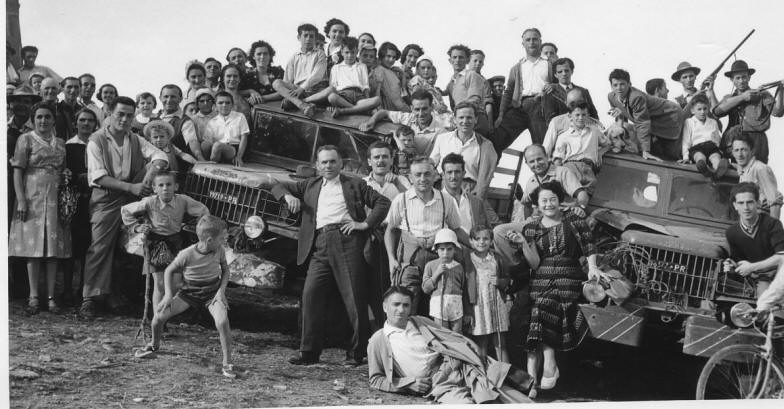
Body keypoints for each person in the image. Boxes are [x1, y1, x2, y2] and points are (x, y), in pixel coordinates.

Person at [272, 145, 391, 366]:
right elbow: (276, 185)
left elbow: (383, 203)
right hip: (319, 244)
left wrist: (364, 224)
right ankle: (309, 352)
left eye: (333, 161)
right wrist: (287, 196)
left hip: (348, 241)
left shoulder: (354, 184)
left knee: (354, 297)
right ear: (317, 165)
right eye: (324, 162)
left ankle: (356, 353)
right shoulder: (310, 184)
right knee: (310, 295)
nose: (328, 166)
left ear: (341, 164)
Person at [506, 181, 606, 398]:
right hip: (541, 276)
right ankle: (534, 378)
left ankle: (547, 366)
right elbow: (534, 263)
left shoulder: (573, 220)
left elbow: (589, 245)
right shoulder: (531, 227)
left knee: (542, 305)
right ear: (537, 204)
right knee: (533, 311)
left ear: (560, 200)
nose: (548, 204)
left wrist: (592, 267)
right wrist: (524, 242)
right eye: (544, 200)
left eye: (552, 199)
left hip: (568, 275)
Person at [79, 96, 169, 319]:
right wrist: (132, 187)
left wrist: (150, 173)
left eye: (129, 115)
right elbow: (98, 177)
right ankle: (90, 298)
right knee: (100, 246)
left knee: (129, 247)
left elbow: (160, 155)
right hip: (107, 198)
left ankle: (116, 296)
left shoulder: (135, 139)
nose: (125, 119)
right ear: (110, 114)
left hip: (132, 197)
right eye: (120, 114)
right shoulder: (96, 140)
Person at [367, 286, 534, 403]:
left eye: (406, 305)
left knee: (495, 383)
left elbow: (450, 336)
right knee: (465, 403)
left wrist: (470, 345)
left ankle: (528, 395)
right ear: (385, 307)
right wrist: (408, 384)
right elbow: (376, 379)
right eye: (396, 304)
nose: (401, 310)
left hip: (455, 364)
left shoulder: (419, 321)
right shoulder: (378, 340)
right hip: (438, 383)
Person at [134, 215, 237, 378]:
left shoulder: (220, 250)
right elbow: (169, 271)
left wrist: (221, 291)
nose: (225, 241)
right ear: (209, 240)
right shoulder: (187, 254)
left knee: (222, 321)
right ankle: (154, 345)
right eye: (222, 238)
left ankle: (227, 362)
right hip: (189, 293)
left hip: (212, 294)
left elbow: (225, 270)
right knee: (158, 318)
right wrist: (168, 295)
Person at [9, 102, 71, 314]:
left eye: (47, 117)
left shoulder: (60, 143)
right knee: (34, 249)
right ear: (33, 119)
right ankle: (33, 296)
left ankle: (51, 297)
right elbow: (18, 171)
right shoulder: (25, 139)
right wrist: (21, 200)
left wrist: (65, 175)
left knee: (52, 250)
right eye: (39, 117)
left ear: (53, 120)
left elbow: (63, 169)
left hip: (55, 197)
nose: (43, 121)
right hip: (32, 195)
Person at [385, 156, 467, 315]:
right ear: (410, 177)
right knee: (406, 305)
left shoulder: (446, 200)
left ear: (435, 176)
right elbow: (391, 230)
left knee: (437, 309)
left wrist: (476, 245)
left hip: (438, 261)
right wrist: (391, 259)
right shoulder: (401, 199)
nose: (423, 179)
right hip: (410, 262)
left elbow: (457, 229)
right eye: (418, 175)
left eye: (427, 174)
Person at [121, 170, 208, 314]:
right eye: (161, 185)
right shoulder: (150, 202)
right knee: (160, 284)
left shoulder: (183, 200)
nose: (165, 188)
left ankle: (166, 313)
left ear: (176, 186)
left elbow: (203, 210)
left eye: (169, 184)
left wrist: (198, 225)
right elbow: (126, 210)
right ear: (155, 188)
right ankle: (158, 318)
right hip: (156, 243)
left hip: (176, 242)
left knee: (176, 283)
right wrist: (136, 227)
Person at [493, 144, 586, 273]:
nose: (536, 164)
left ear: (547, 157)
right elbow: (526, 204)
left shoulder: (562, 172)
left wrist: (580, 207)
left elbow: (581, 194)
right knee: (499, 232)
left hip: (559, 219)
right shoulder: (531, 182)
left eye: (539, 159)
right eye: (532, 161)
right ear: (527, 163)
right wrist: (528, 224)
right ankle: (519, 270)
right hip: (537, 222)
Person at [364, 141, 411, 326]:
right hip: (370, 236)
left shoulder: (402, 182)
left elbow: (413, 202)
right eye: (376, 157)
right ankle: (373, 327)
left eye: (385, 156)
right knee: (369, 282)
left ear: (392, 160)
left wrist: (397, 183)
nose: (380, 161)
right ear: (369, 161)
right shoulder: (362, 183)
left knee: (391, 282)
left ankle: (391, 326)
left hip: (394, 236)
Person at [494, 28, 554, 152]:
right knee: (497, 138)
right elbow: (508, 91)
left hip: (541, 107)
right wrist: (501, 114)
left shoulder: (549, 64)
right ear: (523, 43)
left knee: (543, 146)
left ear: (540, 42)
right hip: (520, 107)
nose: (531, 42)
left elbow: (560, 85)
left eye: (535, 39)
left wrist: (553, 86)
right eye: (528, 40)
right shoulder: (517, 67)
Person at [713, 60, 784, 164]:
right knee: (737, 172)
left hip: (757, 142)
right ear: (732, 80)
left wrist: (781, 91)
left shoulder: (762, 94)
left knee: (758, 170)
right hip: (736, 143)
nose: (741, 81)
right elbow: (717, 112)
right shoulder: (729, 98)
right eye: (737, 78)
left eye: (744, 77)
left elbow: (778, 112)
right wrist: (742, 97)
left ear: (749, 77)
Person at [607, 68, 683, 161]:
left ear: (629, 84)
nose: (619, 88)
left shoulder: (636, 97)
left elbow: (643, 123)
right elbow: (619, 115)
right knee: (653, 148)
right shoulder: (611, 97)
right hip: (651, 118)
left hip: (670, 115)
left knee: (671, 154)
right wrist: (621, 134)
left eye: (622, 84)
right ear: (611, 86)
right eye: (615, 85)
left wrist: (645, 150)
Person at [63, 108, 98, 307]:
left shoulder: (98, 144)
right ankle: (67, 289)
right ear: (75, 123)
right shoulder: (68, 146)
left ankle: (83, 289)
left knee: (88, 245)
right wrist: (76, 177)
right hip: (74, 199)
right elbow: (65, 170)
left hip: (94, 199)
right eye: (82, 120)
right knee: (71, 244)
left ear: (95, 124)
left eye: (90, 120)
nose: (86, 124)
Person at [724, 182, 784, 299]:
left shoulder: (772, 224)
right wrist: (731, 265)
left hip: (777, 275)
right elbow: (740, 262)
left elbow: (781, 257)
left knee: (764, 301)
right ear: (735, 206)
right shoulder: (732, 233)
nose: (746, 208)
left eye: (750, 202)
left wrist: (751, 267)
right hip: (753, 279)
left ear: (758, 203)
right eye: (741, 203)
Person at [429, 101, 498, 199]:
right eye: (461, 117)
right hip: (443, 188)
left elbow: (484, 179)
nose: (465, 121)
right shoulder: (442, 139)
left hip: (469, 190)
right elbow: (431, 164)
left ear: (476, 119)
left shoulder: (485, 145)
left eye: (469, 117)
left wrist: (475, 200)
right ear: (454, 119)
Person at [360, 89, 454, 156]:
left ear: (431, 107)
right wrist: (371, 121)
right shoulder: (409, 118)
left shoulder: (441, 132)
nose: (421, 114)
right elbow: (384, 112)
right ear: (412, 108)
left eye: (424, 109)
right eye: (417, 109)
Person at [467, 225, 511, 363]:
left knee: (500, 342)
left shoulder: (496, 258)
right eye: (477, 239)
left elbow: (507, 279)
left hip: (497, 305)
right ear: (471, 241)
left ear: (491, 241)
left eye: (485, 238)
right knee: (481, 343)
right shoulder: (468, 259)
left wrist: (500, 281)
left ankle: (505, 373)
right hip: (478, 307)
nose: (481, 242)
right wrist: (467, 311)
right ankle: (483, 373)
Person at [311, 37, 380, 118]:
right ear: (342, 52)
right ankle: (359, 110)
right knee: (332, 97)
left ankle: (344, 111)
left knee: (377, 100)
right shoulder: (336, 67)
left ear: (357, 52)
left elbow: (365, 86)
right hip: (343, 97)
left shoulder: (362, 66)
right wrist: (332, 105)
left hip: (359, 97)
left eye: (353, 52)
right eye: (347, 52)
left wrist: (367, 101)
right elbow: (333, 86)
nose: (350, 55)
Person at [551, 101, 609, 195]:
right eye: (577, 115)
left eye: (584, 115)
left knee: (587, 194)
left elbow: (608, 144)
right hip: (571, 166)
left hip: (589, 168)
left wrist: (600, 153)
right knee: (571, 192)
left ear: (588, 116)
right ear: (570, 116)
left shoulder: (594, 131)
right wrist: (557, 176)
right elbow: (558, 159)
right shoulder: (564, 136)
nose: (581, 118)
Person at [272, 23, 328, 118]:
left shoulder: (320, 54)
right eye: (305, 35)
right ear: (299, 37)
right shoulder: (294, 57)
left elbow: (317, 75)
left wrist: (301, 89)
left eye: (311, 36)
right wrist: (291, 92)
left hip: (314, 91)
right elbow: (288, 80)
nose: (308, 39)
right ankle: (302, 105)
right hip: (297, 90)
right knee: (276, 83)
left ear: (315, 39)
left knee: (287, 103)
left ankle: (296, 102)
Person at [422, 228, 474, 332]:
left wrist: (468, 312)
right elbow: (425, 289)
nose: (445, 253)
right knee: (443, 333)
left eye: (449, 249)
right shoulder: (430, 265)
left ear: (455, 250)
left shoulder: (459, 267)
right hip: (438, 306)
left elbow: (464, 290)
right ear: (436, 250)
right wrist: (436, 274)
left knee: (457, 334)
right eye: (442, 249)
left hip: (456, 305)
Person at [441, 153, 501, 235]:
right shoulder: (436, 200)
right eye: (449, 172)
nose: (453, 176)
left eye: (457, 172)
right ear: (443, 175)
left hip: (475, 241)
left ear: (464, 173)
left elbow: (487, 229)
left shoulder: (476, 202)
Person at [445, 45, 493, 138]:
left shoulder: (472, 75)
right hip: (462, 121)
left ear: (467, 60)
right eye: (454, 57)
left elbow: (474, 100)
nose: (457, 60)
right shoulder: (452, 82)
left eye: (461, 57)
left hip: (476, 121)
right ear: (450, 60)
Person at [731, 134, 782, 219]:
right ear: (733, 153)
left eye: (744, 150)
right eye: (736, 150)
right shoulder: (744, 170)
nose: (740, 154)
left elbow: (775, 203)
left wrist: (773, 227)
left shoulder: (760, 168)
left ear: (752, 151)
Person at [680, 94, 728, 178]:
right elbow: (686, 141)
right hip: (697, 148)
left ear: (708, 109)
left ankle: (717, 171)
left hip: (711, 146)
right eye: (699, 109)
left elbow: (717, 139)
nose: (702, 112)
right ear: (692, 110)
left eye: (705, 109)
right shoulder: (689, 122)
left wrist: (719, 149)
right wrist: (685, 157)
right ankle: (703, 168)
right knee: (699, 156)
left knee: (715, 158)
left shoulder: (713, 122)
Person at [203, 91, 250, 166]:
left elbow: (244, 138)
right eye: (220, 103)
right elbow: (208, 142)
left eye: (227, 103)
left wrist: (239, 157)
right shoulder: (212, 122)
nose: (224, 105)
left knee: (218, 145)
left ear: (232, 105)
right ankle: (208, 163)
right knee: (205, 144)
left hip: (233, 150)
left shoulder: (240, 116)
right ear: (215, 106)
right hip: (216, 150)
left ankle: (212, 165)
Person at [546, 58, 598, 123]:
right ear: (555, 75)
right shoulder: (550, 93)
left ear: (572, 71)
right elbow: (550, 120)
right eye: (560, 72)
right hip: (562, 128)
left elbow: (593, 115)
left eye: (566, 70)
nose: (564, 74)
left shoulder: (583, 91)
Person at [157, 84, 201, 160]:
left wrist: (200, 158)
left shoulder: (185, 121)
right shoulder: (154, 118)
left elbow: (192, 141)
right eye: (166, 96)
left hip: (177, 161)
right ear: (160, 98)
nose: (169, 100)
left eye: (173, 97)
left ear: (180, 99)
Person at [242, 40, 284, 104]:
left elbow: (286, 92)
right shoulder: (247, 74)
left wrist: (262, 98)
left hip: (279, 108)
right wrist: (250, 91)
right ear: (253, 56)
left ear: (270, 56)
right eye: (259, 54)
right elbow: (237, 91)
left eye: (265, 53)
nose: (262, 57)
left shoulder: (278, 71)